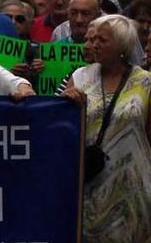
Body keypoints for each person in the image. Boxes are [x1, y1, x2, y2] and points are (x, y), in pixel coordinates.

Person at [62, 15, 151, 243]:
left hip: (134, 182)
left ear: (122, 44)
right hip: (92, 185)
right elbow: (63, 129)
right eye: (91, 39)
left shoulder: (145, 83)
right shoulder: (79, 77)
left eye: (101, 39)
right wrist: (66, 102)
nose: (93, 45)